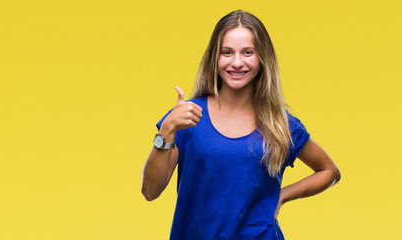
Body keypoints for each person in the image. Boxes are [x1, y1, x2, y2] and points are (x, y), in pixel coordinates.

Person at [141, 10, 340, 240]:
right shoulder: (188, 116)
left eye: (247, 52)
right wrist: (167, 130)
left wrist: (283, 195)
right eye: (227, 52)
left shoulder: (280, 124)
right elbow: (150, 191)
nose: (237, 62)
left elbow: (329, 172)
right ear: (214, 58)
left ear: (262, 58)